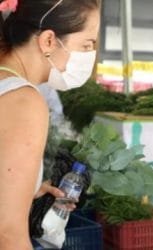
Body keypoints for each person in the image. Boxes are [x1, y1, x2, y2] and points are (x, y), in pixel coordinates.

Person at [0, 0, 100, 249]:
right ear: (48, 41)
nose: (89, 56)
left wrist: (29, 189)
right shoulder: (23, 101)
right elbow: (7, 234)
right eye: (86, 45)